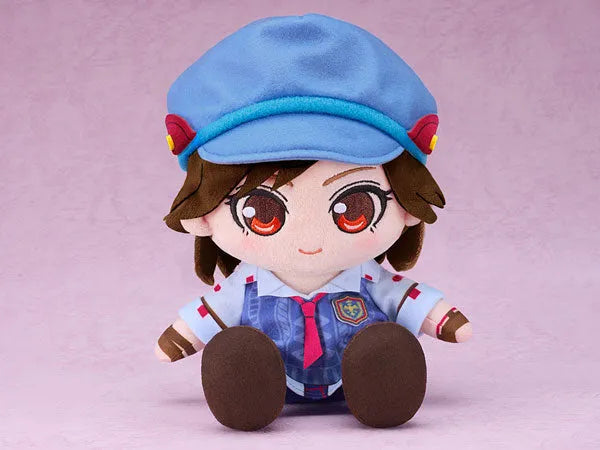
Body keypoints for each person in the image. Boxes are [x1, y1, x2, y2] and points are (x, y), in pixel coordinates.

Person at [155, 14, 472, 431]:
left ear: (407, 206)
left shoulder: (371, 280)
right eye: (262, 213)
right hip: (267, 375)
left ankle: (384, 381)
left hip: (361, 370)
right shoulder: (243, 288)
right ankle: (246, 387)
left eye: (354, 209)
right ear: (203, 215)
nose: (309, 240)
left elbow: (405, 297)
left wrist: (443, 318)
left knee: (385, 347)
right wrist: (179, 339)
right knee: (238, 352)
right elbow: (211, 310)